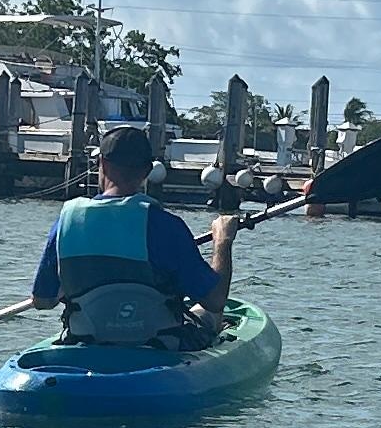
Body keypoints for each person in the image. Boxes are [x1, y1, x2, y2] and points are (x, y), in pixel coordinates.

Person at [33, 126, 235, 344]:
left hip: (86, 341)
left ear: (102, 163)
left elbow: (43, 300)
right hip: (158, 347)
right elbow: (215, 300)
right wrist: (223, 241)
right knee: (209, 315)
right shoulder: (167, 226)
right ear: (147, 171)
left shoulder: (66, 221)